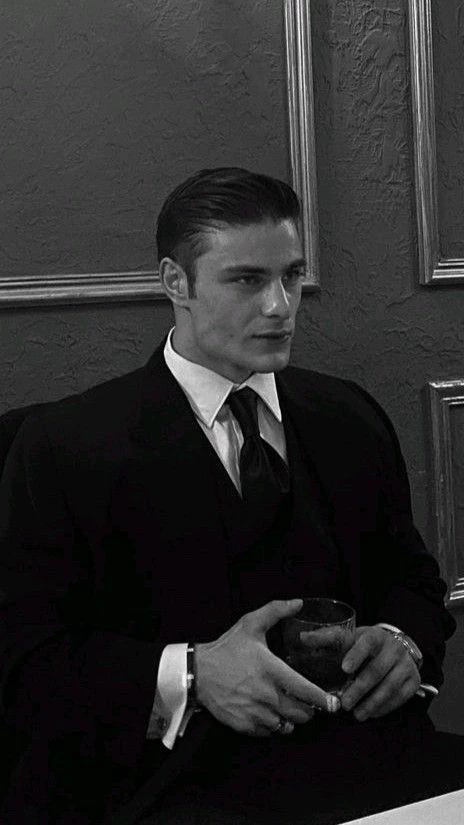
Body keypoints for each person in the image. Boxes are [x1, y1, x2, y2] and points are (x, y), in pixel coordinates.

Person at [0, 167, 463, 825]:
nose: (280, 306)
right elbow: (24, 659)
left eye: (292, 276)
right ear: (175, 282)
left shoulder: (348, 416)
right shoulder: (64, 445)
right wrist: (192, 675)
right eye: (247, 280)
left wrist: (402, 640)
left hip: (367, 757)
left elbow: (412, 579)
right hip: (165, 781)